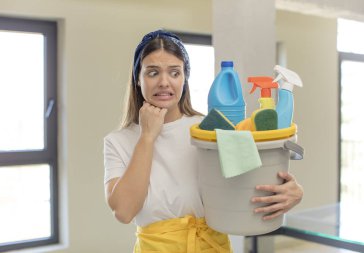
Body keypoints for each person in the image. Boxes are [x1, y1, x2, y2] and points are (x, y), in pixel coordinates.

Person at [104, 29, 304, 253]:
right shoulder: (118, 141)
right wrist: (147, 137)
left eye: (174, 72)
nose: (164, 82)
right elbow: (124, 211)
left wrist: (291, 191)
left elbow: (249, 179)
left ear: (184, 79)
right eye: (152, 73)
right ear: (138, 80)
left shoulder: (207, 129)